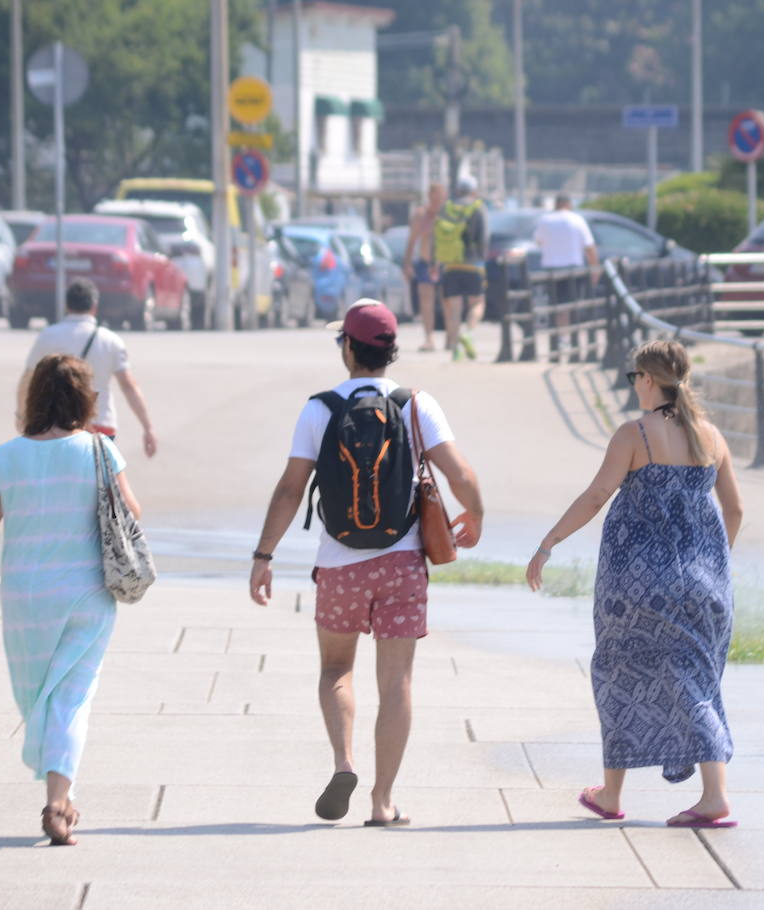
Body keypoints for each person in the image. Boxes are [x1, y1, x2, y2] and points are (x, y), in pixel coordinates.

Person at [249, 298, 484, 827]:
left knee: (336, 669)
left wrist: (264, 556)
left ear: (350, 348)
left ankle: (343, 761)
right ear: (390, 350)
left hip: (339, 564)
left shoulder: (320, 409)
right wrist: (478, 513)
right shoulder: (415, 404)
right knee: (396, 680)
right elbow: (461, 475)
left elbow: (290, 488)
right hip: (401, 563)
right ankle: (382, 801)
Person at [0, 354, 141, 846]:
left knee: (39, 697)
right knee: (70, 696)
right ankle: (59, 801)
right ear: (87, 398)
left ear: (33, 397)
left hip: (25, 600)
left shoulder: (7, 456)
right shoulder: (101, 451)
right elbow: (132, 511)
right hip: (87, 592)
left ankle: (60, 796)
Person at [526, 339, 744, 828]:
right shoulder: (711, 436)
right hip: (706, 584)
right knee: (697, 679)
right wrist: (712, 563)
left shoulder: (635, 434)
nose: (635, 387)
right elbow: (735, 510)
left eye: (634, 378)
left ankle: (633, 794)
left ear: (648, 380)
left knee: (619, 673)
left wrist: (548, 542)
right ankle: (690, 792)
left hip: (637, 585)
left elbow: (598, 493)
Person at [16, 278, 158, 457]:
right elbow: (129, 385)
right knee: (99, 480)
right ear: (94, 306)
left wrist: (22, 417)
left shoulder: (48, 336)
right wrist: (147, 427)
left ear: (67, 305)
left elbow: (27, 380)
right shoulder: (111, 340)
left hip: (54, 426)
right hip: (100, 424)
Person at [532, 194, 599, 351]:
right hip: (572, 267)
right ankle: (568, 338)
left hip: (551, 267)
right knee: (570, 304)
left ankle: (560, 338)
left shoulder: (545, 220)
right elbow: (589, 247)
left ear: (556, 204)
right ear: (569, 204)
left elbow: (538, 241)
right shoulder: (577, 220)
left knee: (555, 304)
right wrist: (595, 268)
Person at [434, 175, 487, 360]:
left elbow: (437, 235)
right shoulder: (478, 208)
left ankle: (455, 348)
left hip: (450, 264)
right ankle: (468, 333)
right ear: (474, 191)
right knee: (477, 302)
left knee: (454, 308)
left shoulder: (446, 208)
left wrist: (436, 262)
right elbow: (483, 238)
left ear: (457, 190)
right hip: (473, 264)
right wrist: (483, 258)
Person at [402, 183, 446, 352]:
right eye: (434, 196)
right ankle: (429, 338)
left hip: (444, 262)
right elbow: (412, 240)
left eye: (440, 196)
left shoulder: (447, 215)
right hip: (425, 263)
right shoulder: (421, 215)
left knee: (447, 301)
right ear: (429, 196)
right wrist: (406, 263)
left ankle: (451, 338)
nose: (437, 200)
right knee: (426, 301)